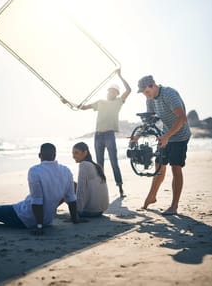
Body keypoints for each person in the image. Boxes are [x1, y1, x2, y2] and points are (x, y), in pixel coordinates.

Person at [0, 143, 83, 234]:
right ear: (55, 155)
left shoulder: (35, 171)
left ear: (39, 155)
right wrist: (75, 219)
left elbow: (37, 200)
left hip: (24, 217)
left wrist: (39, 226)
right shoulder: (66, 171)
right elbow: (71, 198)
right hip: (47, 220)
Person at [134, 75, 191, 215]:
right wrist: (138, 135)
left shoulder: (169, 94)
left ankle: (174, 206)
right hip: (165, 134)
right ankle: (151, 197)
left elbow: (182, 118)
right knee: (159, 165)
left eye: (147, 92)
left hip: (180, 135)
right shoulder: (150, 99)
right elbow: (149, 121)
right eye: (143, 93)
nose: (146, 96)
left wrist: (167, 136)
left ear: (153, 85)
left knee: (175, 168)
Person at [79, 69, 131, 198]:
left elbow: (129, 90)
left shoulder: (118, 102)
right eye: (110, 90)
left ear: (116, 94)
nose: (111, 92)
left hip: (109, 135)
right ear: (107, 92)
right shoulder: (100, 102)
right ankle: (100, 189)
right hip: (98, 136)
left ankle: (120, 188)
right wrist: (69, 102)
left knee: (114, 162)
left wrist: (120, 75)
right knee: (99, 164)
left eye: (114, 91)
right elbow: (84, 107)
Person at [72, 142, 109, 217]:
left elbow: (81, 190)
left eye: (76, 153)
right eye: (73, 153)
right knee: (72, 184)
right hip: (100, 210)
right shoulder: (95, 165)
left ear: (85, 152)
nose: (73, 156)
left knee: (66, 185)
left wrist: (78, 212)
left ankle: (49, 211)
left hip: (90, 212)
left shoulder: (84, 165)